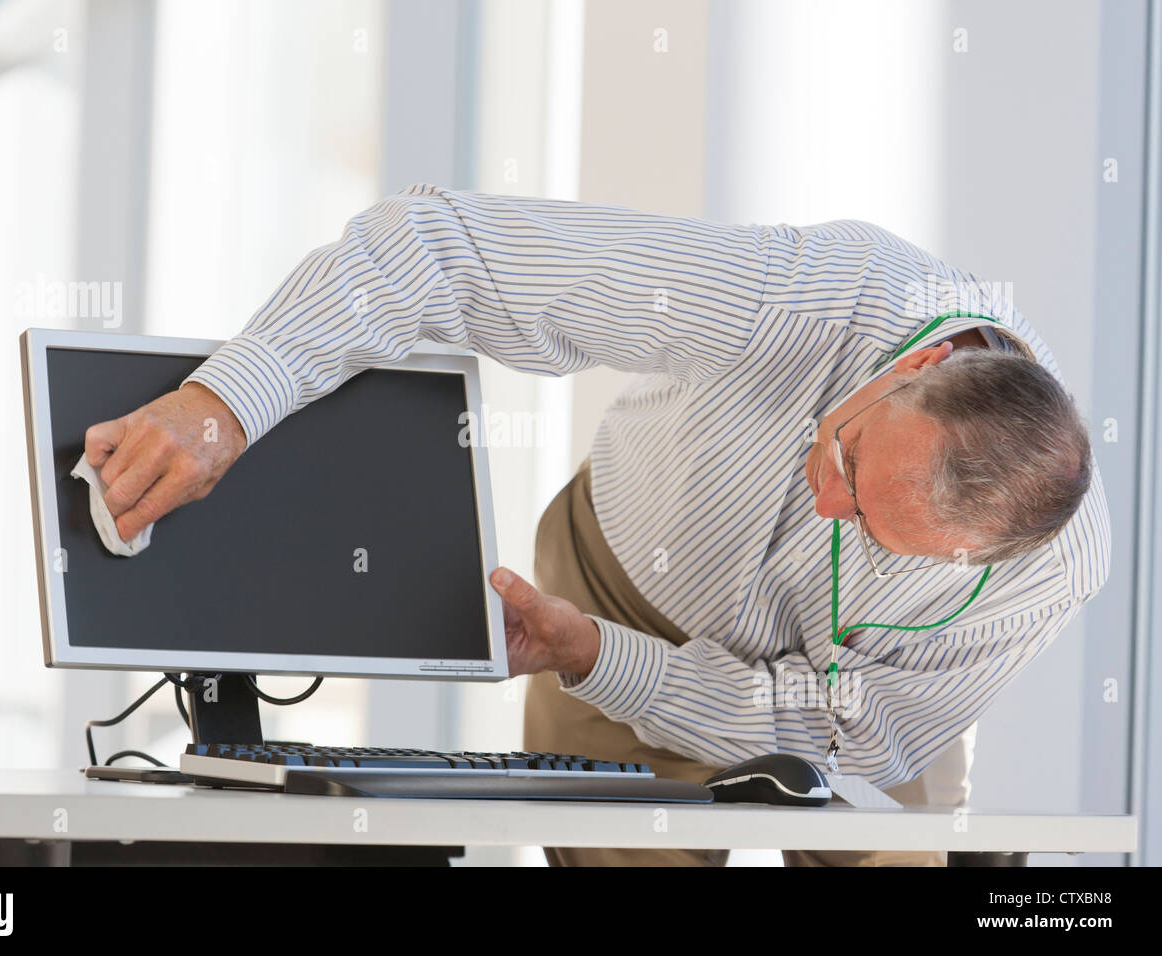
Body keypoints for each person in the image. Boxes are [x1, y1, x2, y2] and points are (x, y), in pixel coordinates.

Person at [85, 184, 1109, 866]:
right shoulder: (813, 294)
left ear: (986, 558)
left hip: (859, 697)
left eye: (880, 535)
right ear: (916, 367)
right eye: (846, 456)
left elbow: (830, 735)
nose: (828, 505)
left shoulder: (1049, 576)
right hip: (618, 577)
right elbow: (442, 250)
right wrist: (227, 401)